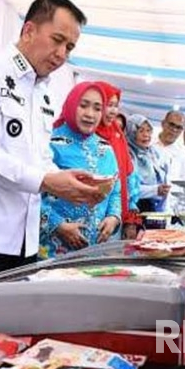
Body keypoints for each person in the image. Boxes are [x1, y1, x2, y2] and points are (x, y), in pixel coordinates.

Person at [0, 0, 102, 284]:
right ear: (29, 30)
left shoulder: (42, 92)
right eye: (57, 39)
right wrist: (46, 181)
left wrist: (66, 179)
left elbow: (38, 158)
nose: (62, 53)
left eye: (69, 47)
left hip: (23, 239)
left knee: (12, 329)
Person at [40, 82, 121, 257]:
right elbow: (31, 192)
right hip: (52, 250)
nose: (90, 114)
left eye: (97, 108)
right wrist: (58, 225)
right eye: (83, 106)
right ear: (70, 104)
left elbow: (116, 189)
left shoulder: (106, 148)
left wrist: (113, 218)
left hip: (95, 250)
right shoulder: (50, 143)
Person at [95, 81, 139, 229]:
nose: (113, 111)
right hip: (86, 216)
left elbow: (126, 176)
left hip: (114, 217)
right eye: (108, 104)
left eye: (116, 105)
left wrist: (127, 218)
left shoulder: (117, 135)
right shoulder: (84, 135)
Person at [126, 115, 170, 213]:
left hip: (154, 208)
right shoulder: (127, 155)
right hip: (135, 209)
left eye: (148, 130)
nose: (146, 135)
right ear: (131, 132)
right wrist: (155, 190)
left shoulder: (153, 153)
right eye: (141, 131)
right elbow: (128, 189)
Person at [154, 110, 185, 182]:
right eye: (171, 125)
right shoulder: (148, 144)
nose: (174, 130)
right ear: (163, 123)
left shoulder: (184, 152)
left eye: (179, 127)